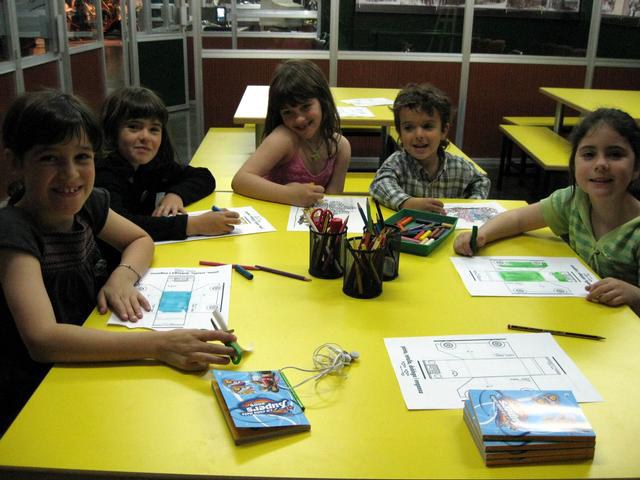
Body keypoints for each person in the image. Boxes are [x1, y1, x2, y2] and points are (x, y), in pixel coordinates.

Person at [0, 91, 238, 436]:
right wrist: (159, 345)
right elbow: (44, 340)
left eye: (82, 157)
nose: (70, 174)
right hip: (38, 393)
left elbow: (139, 239)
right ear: (16, 162)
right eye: (50, 158)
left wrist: (122, 277)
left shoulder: (88, 205)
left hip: (93, 356)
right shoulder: (13, 232)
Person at [454, 108, 640, 314]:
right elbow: (518, 219)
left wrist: (634, 294)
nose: (601, 164)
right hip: (581, 313)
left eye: (615, 154)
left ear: (636, 167)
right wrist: (482, 234)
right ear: (573, 163)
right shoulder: (573, 201)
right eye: (589, 154)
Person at [96, 87, 240, 243]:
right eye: (134, 127)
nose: (145, 137)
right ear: (112, 131)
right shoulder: (103, 175)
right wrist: (194, 225)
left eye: (154, 129)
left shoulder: (151, 166)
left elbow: (204, 176)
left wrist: (176, 195)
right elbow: (123, 226)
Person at [231, 59, 351, 207]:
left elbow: (332, 200)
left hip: (308, 219)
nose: (299, 119)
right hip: (272, 215)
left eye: (306, 107)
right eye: (288, 112)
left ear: (323, 102)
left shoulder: (341, 147)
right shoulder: (284, 138)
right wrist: (290, 195)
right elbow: (240, 180)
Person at [369, 83, 490, 213]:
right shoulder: (397, 163)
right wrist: (406, 202)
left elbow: (482, 181)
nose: (419, 135)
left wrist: (470, 206)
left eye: (427, 126)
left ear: (443, 131)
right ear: (399, 132)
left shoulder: (458, 166)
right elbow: (379, 185)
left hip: (448, 225)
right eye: (409, 128)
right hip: (408, 226)